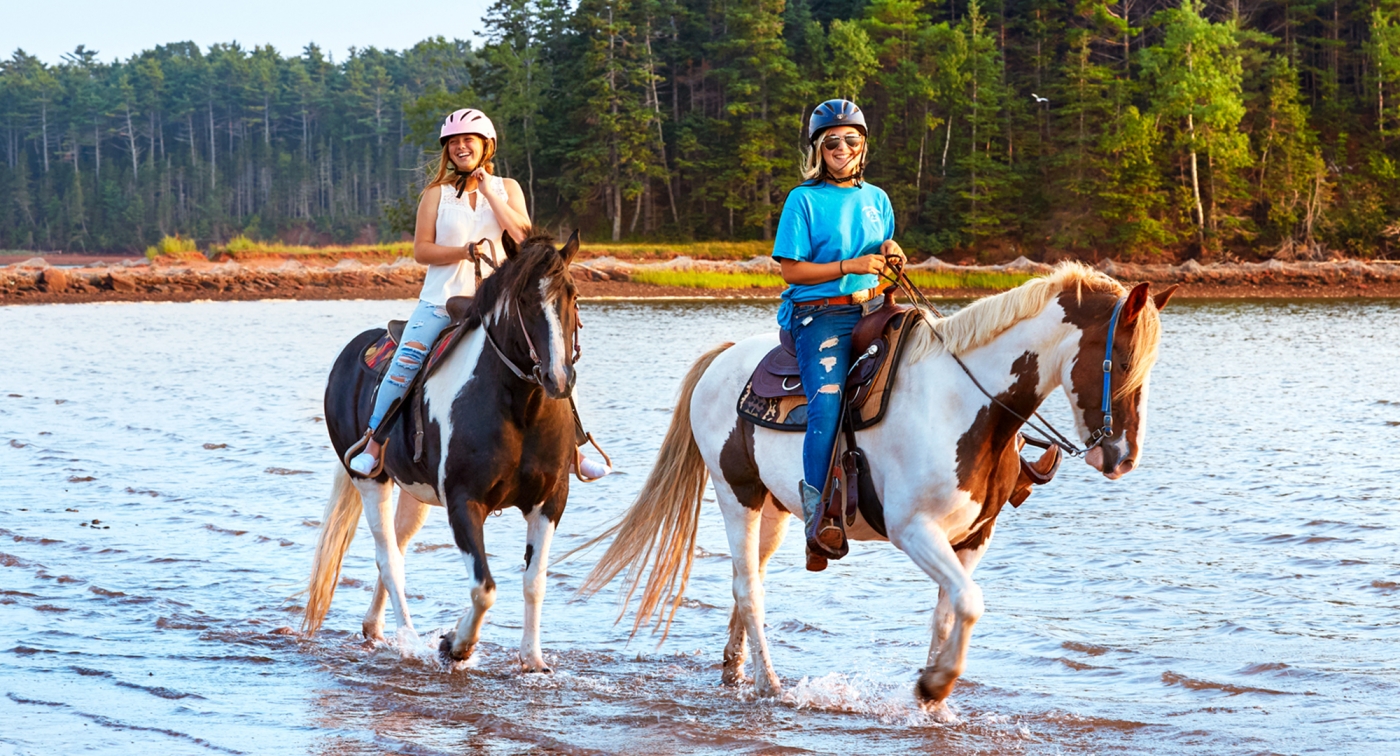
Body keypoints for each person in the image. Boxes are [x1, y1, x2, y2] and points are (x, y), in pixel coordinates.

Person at [347, 108, 610, 481]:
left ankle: (575, 449)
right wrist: (462, 251)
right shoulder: (435, 195)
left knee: (555, 357)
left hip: (499, 305)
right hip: (443, 299)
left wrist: (489, 191)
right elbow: (422, 251)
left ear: (486, 145)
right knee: (405, 362)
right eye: (453, 142)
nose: (460, 147)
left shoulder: (508, 188)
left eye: (467, 140)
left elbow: (524, 237)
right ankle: (373, 444)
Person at [772, 99, 905, 570]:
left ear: (863, 145)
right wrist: (849, 266)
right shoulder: (802, 200)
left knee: (934, 354)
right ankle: (817, 519)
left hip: (872, 306)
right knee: (826, 402)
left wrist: (891, 252)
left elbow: (881, 253)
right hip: (820, 316)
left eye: (851, 139)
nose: (841, 148)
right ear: (818, 149)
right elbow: (790, 270)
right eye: (831, 142)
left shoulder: (878, 199)